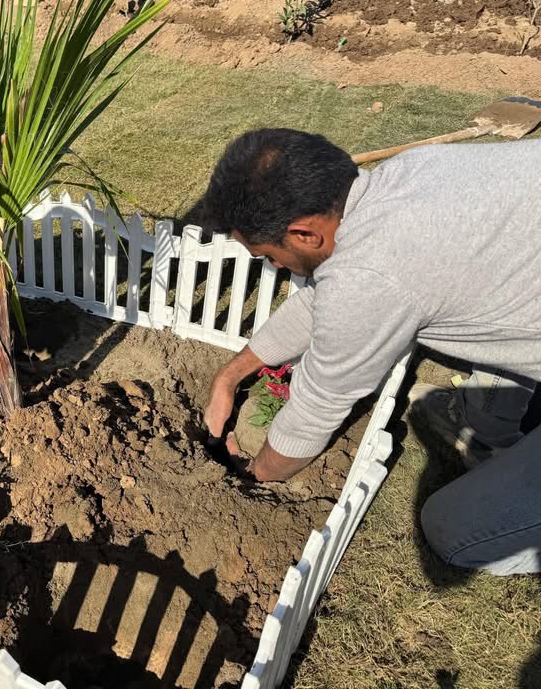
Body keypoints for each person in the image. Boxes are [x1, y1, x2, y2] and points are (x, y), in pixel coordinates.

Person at [201, 127, 541, 576]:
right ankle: (493, 429)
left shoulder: (369, 277)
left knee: (453, 531)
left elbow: (314, 412)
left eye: (268, 255)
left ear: (304, 233)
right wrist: (228, 377)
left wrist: (252, 474)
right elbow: (326, 298)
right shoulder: (408, 171)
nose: (274, 266)